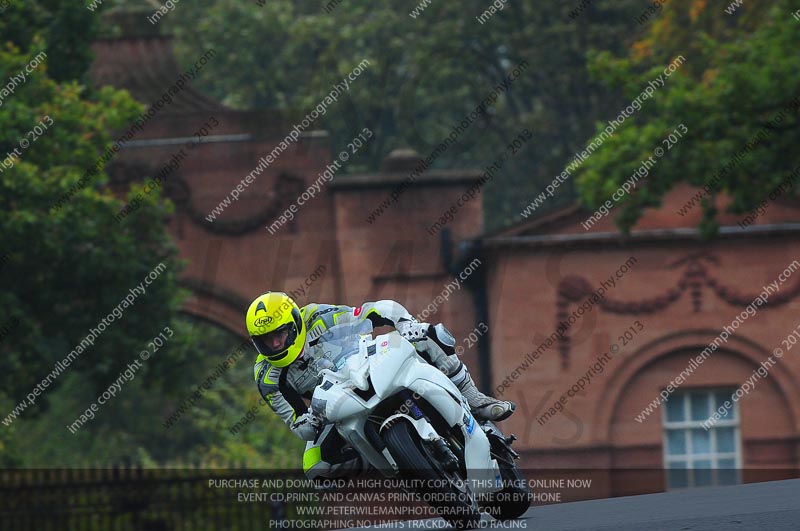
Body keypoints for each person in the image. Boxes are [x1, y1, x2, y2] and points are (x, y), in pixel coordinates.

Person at [247, 291, 515, 480]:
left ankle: (475, 399)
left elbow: (370, 311)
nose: (275, 345)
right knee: (314, 466)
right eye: (265, 341)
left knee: (426, 337)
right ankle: (391, 460)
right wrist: (307, 423)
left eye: (279, 335)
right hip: (334, 405)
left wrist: (405, 322)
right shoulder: (267, 377)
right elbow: (295, 420)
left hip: (366, 366)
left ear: (294, 323)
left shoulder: (317, 316)